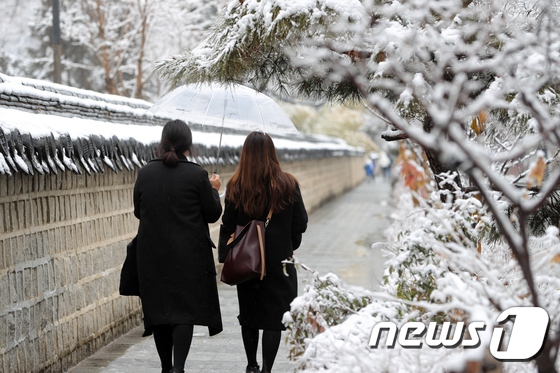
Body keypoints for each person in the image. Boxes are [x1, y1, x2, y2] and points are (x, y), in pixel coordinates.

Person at [133, 119, 223, 373]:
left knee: (160, 311)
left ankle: (165, 367)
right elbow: (213, 213)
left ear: (162, 142)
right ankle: (178, 368)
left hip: (151, 254)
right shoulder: (197, 175)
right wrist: (214, 190)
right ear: (189, 145)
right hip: (188, 255)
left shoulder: (145, 173)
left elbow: (139, 211)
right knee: (184, 312)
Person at [220, 131, 308, 373]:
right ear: (272, 153)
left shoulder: (236, 186)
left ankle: (251, 365)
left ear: (245, 155)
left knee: (249, 314)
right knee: (274, 317)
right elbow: (300, 223)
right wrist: (286, 244)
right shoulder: (288, 184)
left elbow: (227, 225)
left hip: (248, 263)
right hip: (280, 262)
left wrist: (228, 255)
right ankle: (267, 369)